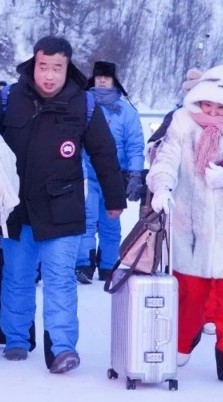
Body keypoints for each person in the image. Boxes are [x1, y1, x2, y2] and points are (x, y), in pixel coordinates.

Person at [0, 36, 125, 374]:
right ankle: (16, 339)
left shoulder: (84, 104)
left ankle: (62, 347)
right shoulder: (9, 99)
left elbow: (104, 153)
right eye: (43, 67)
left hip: (62, 206)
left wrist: (114, 198)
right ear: (33, 64)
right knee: (17, 277)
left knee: (60, 280)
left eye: (57, 68)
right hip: (16, 207)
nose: (49, 75)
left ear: (67, 68)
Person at [146, 65, 223, 387]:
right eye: (207, 104)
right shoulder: (182, 123)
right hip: (190, 231)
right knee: (188, 298)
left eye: (221, 106)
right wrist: (162, 186)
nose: (213, 112)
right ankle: (181, 343)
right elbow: (166, 159)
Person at [76, 60, 144, 285]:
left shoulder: (127, 111)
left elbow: (135, 145)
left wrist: (135, 174)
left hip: (115, 176)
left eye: (106, 77)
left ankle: (108, 265)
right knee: (86, 219)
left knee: (110, 222)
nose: (102, 81)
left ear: (114, 80)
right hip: (87, 174)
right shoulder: (82, 106)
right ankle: (84, 264)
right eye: (99, 77)